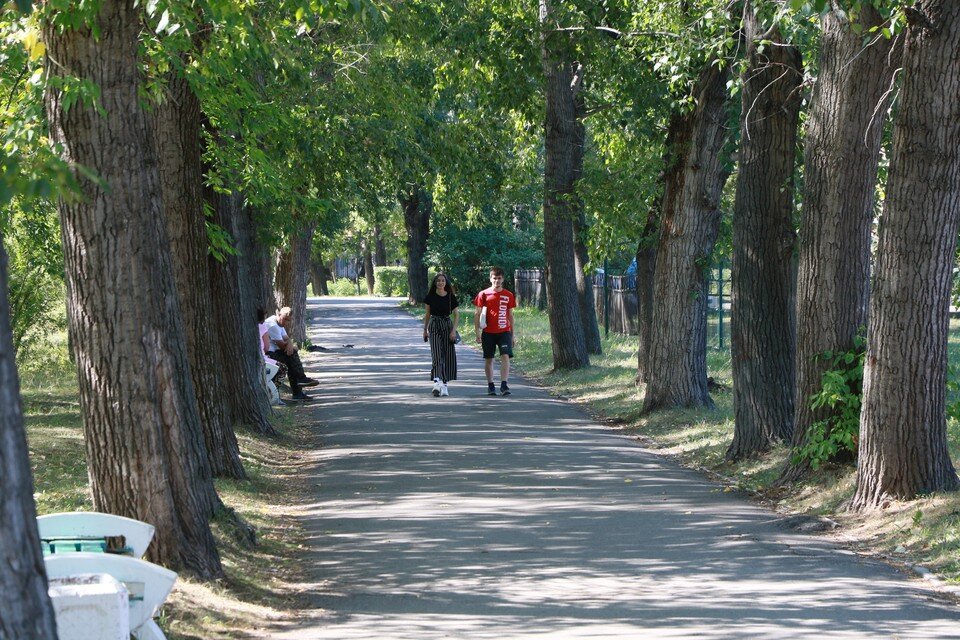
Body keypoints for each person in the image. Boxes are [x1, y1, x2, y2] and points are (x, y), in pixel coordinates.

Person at [474, 266, 516, 396]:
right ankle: (491, 385)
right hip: (488, 332)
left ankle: (504, 385)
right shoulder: (483, 294)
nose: (496, 281)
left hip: (504, 332)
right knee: (489, 359)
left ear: (502, 279)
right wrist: (477, 332)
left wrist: (513, 335)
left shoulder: (508, 295)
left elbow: (510, 316)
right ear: (490, 278)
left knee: (505, 356)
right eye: (494, 278)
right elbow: (477, 313)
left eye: (499, 278)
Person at [264, 307, 318, 401]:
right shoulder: (272, 325)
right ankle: (300, 383)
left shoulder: (279, 324)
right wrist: (291, 345)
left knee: (291, 356)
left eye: (288, 320)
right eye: (284, 319)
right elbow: (282, 345)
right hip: (267, 354)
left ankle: (299, 389)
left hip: (274, 352)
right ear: (278, 314)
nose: (285, 322)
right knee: (291, 357)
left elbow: (287, 338)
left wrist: (289, 343)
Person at [422, 273, 459, 397]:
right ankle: (436, 383)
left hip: (447, 326)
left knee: (447, 356)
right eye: (438, 281)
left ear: (446, 283)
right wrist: (424, 330)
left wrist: (453, 331)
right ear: (435, 283)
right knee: (437, 354)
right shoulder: (430, 297)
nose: (440, 283)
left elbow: (456, 315)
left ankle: (445, 385)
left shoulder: (450, 297)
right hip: (434, 325)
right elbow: (427, 314)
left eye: (443, 281)